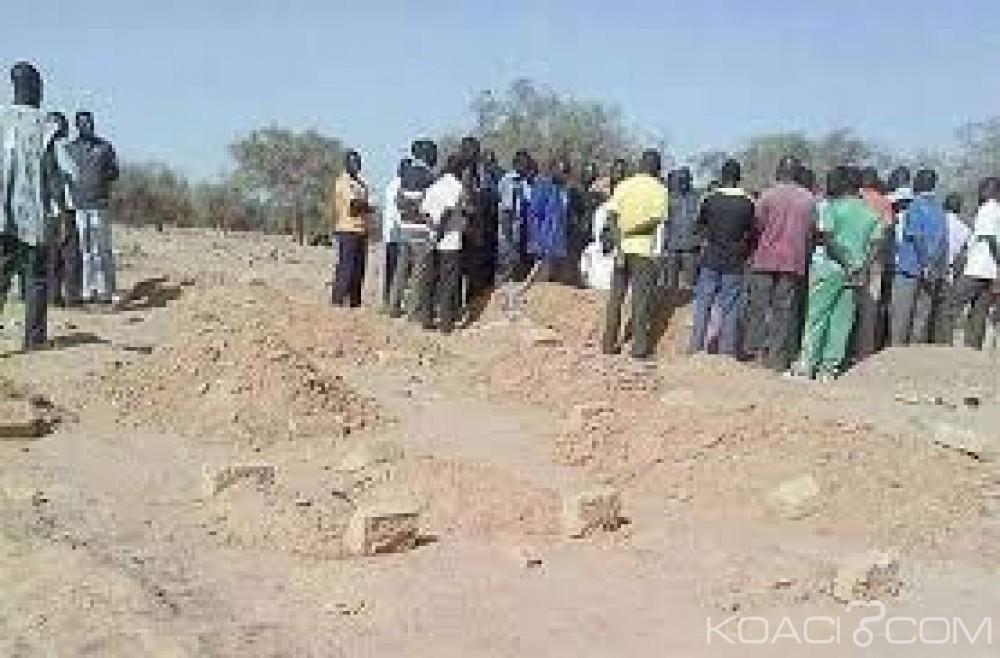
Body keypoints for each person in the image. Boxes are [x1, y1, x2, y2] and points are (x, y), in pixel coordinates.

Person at [789, 166, 880, 382]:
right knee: (841, 321)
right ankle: (828, 370)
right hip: (855, 275)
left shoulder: (832, 208)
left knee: (817, 317)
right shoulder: (870, 213)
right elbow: (876, 243)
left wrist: (847, 262)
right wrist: (862, 267)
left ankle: (806, 366)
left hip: (828, 269)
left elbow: (828, 240)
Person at [0, 62, 55, 350]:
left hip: (2, 215)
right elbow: (53, 171)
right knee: (36, 278)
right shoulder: (46, 123)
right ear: (34, 87)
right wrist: (57, 209)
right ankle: (34, 340)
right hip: (33, 214)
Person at [744, 156, 815, 371]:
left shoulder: (767, 195)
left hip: (765, 258)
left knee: (758, 306)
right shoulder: (808, 199)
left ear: (779, 171)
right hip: (793, 260)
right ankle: (776, 358)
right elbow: (812, 231)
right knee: (783, 310)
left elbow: (757, 226)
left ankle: (754, 352)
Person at [601, 149, 669, 362]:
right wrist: (632, 231)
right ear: (656, 167)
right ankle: (638, 349)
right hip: (642, 252)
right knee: (641, 300)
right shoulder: (659, 189)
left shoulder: (623, 185)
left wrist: (619, 239)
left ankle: (608, 343)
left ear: (640, 165)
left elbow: (611, 216)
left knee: (616, 298)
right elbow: (656, 220)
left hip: (621, 250)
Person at [689, 159, 754, 358]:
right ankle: (727, 352)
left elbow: (698, 227)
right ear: (739, 177)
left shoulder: (710, 199)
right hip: (734, 261)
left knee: (703, 304)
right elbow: (752, 232)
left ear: (722, 177)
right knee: (731, 307)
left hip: (710, 259)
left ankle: (696, 348)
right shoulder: (748, 202)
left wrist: (709, 238)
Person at [505, 157, 570, 318]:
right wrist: (538, 241)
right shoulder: (544, 186)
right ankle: (514, 300)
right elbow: (535, 213)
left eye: (567, 172)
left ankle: (536, 309)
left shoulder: (559, 189)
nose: (565, 175)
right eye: (562, 171)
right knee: (535, 278)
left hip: (554, 242)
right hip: (545, 241)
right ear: (553, 169)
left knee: (544, 280)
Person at [66, 110, 119, 305]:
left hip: (100, 204)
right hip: (79, 205)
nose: (86, 126)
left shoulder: (105, 147)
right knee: (85, 250)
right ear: (77, 126)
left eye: (89, 122)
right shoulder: (70, 148)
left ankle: (109, 290)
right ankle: (89, 290)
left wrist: (102, 178)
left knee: (103, 249)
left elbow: (115, 172)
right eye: (82, 123)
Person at [940, 178, 1000, 349]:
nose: (981, 191)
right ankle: (972, 351)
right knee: (979, 312)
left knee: (950, 305)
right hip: (991, 272)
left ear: (994, 191)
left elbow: (989, 238)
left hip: (979, 267)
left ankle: (942, 347)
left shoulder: (988, 209)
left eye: (985, 188)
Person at [890, 168, 948, 345]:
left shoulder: (914, 206)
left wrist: (925, 264)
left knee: (900, 319)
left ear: (920, 183)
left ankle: (895, 358)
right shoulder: (940, 210)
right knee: (920, 321)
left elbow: (916, 236)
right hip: (931, 273)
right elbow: (942, 242)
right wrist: (933, 267)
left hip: (910, 270)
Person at [390, 139, 438, 320]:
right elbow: (430, 206)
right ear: (426, 155)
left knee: (401, 269)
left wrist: (407, 211)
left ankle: (393, 306)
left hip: (404, 227)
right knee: (419, 272)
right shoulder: (429, 177)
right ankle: (413, 311)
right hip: (421, 230)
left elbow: (398, 201)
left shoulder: (405, 174)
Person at [419, 154, 466, 334]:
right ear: (460, 169)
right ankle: (445, 323)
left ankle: (427, 319)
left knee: (431, 280)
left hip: (432, 240)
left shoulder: (435, 185)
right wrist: (439, 233)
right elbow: (447, 211)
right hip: (449, 242)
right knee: (448, 282)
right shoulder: (456, 186)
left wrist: (432, 228)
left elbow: (422, 211)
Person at [853, 167, 895, 359]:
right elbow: (887, 232)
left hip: (851, 260)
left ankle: (845, 350)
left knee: (848, 306)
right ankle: (863, 354)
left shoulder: (854, 199)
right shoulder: (884, 202)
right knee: (869, 309)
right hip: (875, 261)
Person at [42, 111, 82, 308]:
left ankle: (53, 296)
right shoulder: (60, 146)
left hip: (46, 209)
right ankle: (73, 297)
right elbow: (74, 172)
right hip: (64, 207)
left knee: (52, 253)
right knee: (70, 252)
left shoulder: (37, 146)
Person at [329, 150, 374, 308]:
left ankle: (355, 302)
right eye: (353, 161)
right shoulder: (343, 182)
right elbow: (354, 206)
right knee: (346, 267)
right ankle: (338, 300)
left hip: (362, 230)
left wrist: (366, 206)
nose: (357, 165)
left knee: (359, 269)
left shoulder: (361, 183)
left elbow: (364, 204)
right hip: (347, 229)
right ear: (346, 163)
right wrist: (368, 206)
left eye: (359, 161)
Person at [496, 149, 533, 296]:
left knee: (518, 269)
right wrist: (509, 239)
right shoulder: (508, 181)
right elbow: (506, 212)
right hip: (508, 232)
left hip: (521, 230)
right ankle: (499, 298)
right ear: (516, 164)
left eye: (527, 163)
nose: (526, 166)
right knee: (506, 267)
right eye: (523, 164)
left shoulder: (526, 182)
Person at [663, 167, 700, 293]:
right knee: (670, 282)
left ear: (690, 180)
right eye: (680, 179)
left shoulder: (696, 197)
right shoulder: (668, 197)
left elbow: (701, 219)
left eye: (686, 179)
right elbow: (664, 221)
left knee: (691, 283)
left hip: (690, 247)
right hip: (672, 246)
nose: (683, 182)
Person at [380, 158, 409, 313]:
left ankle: (389, 300)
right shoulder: (398, 186)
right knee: (395, 270)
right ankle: (390, 302)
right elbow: (399, 212)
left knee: (393, 270)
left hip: (393, 234)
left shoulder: (392, 184)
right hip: (396, 235)